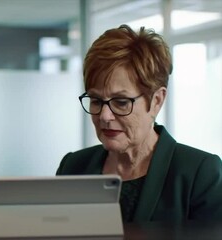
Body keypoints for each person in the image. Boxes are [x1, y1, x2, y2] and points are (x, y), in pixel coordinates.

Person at [56, 24, 222, 222]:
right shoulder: (74, 167)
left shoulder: (199, 173)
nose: (105, 116)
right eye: (96, 101)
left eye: (121, 102)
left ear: (157, 101)